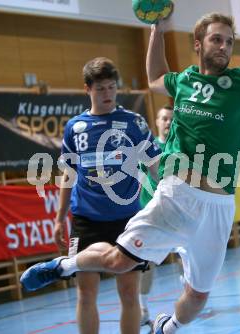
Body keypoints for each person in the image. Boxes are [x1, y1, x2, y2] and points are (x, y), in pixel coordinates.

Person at [20, 12, 240, 334]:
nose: (224, 46)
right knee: (118, 261)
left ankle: (168, 326)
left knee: (197, 298)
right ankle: (64, 265)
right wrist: (157, 30)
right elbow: (155, 76)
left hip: (219, 207)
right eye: (216, 39)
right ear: (199, 44)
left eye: (229, 41)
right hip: (177, 194)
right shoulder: (184, 81)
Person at [52, 57, 160, 334]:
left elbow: (154, 166)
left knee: (128, 293)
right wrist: (59, 217)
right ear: (87, 89)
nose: (108, 94)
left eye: (112, 87)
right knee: (86, 294)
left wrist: (168, 201)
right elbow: (68, 174)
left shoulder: (133, 122)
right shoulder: (75, 128)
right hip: (86, 221)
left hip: (126, 219)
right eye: (101, 88)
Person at [138, 104, 173, 327]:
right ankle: (142, 306)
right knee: (147, 260)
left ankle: (190, 289)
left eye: (171, 119)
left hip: (177, 209)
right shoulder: (149, 147)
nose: (168, 122)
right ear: (157, 123)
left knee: (185, 252)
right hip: (151, 209)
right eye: (164, 118)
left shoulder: (181, 147)